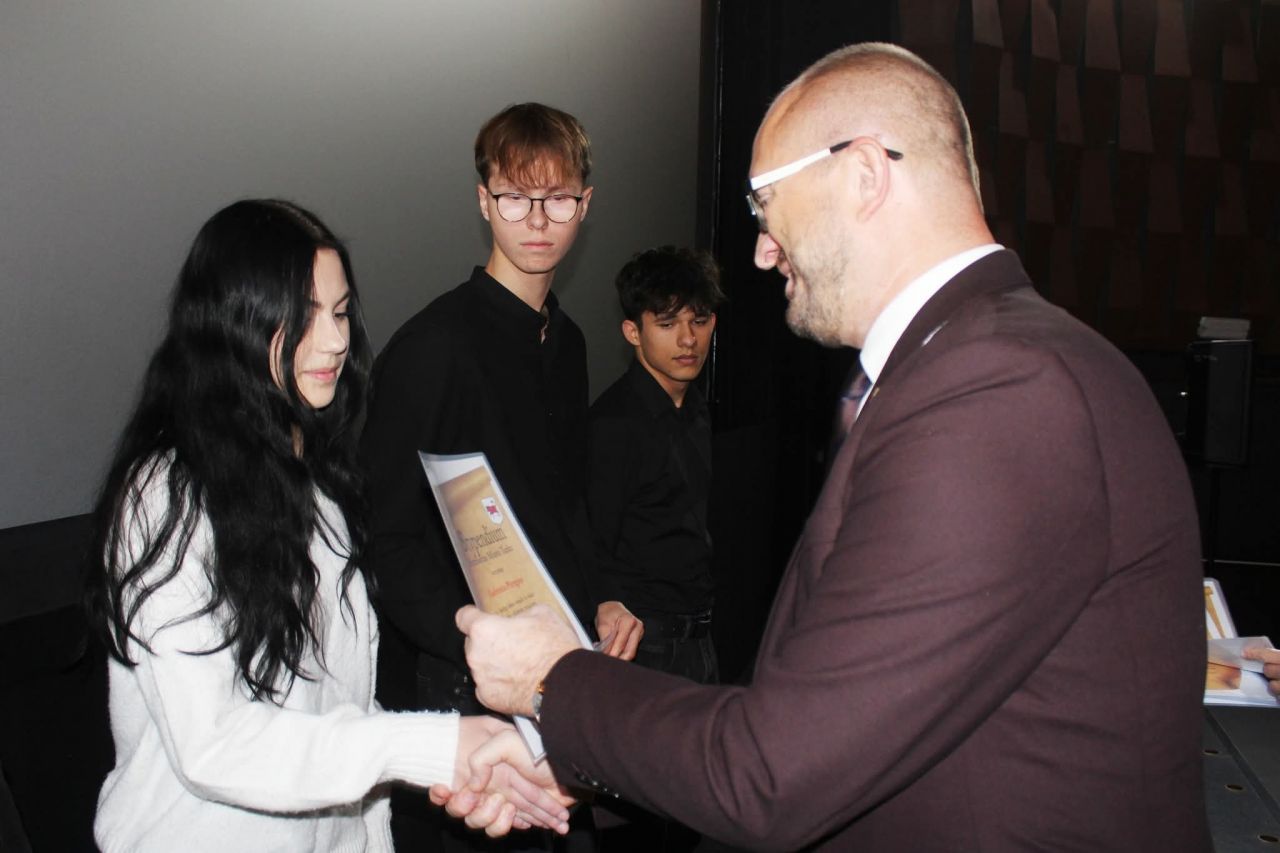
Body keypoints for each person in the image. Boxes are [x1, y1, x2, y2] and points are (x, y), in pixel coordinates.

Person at [450, 43, 1212, 851]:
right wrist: (572, 757)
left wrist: (553, 683)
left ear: (864, 175)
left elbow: (771, 774)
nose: (762, 249)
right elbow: (844, 719)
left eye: (765, 205)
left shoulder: (998, 392)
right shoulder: (977, 363)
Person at [86, 199, 570, 852]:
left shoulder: (318, 483)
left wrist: (467, 758)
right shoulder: (166, 498)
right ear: (234, 324)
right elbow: (214, 742)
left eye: (340, 313)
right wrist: (435, 746)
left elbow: (337, 713)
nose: (337, 340)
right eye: (304, 316)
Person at [361, 103, 641, 850]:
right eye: (516, 197)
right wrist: (475, 641)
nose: (537, 219)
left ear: (586, 204)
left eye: (558, 199)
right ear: (484, 201)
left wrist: (603, 595)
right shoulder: (432, 347)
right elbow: (385, 539)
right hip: (461, 681)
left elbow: (565, 504)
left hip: (554, 666)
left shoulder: (569, 342)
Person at [585, 247, 723, 851]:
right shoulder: (613, 424)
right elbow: (588, 542)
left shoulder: (698, 411)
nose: (688, 339)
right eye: (667, 323)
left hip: (700, 642)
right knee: (636, 832)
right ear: (632, 331)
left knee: (691, 822)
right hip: (641, 649)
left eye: (699, 319)